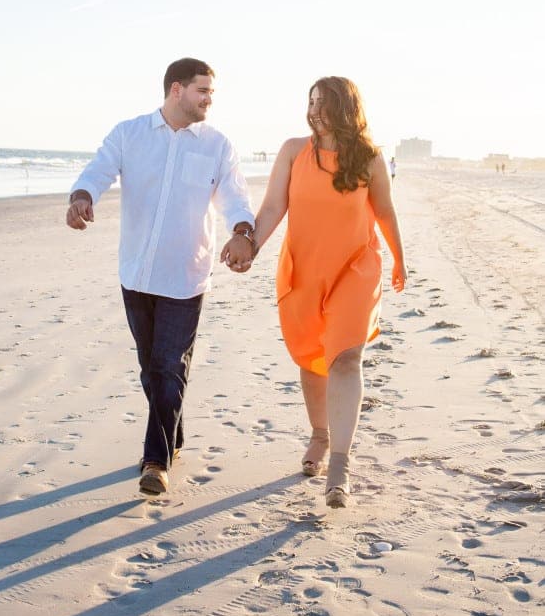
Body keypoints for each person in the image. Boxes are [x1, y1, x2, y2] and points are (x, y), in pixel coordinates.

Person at [66, 58, 255, 496]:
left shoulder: (217, 145)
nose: (209, 99)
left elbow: (234, 196)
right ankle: (174, 436)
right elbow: (99, 170)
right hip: (136, 273)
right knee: (151, 371)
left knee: (170, 367)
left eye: (211, 93)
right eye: (202, 91)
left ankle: (155, 461)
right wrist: (81, 198)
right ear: (176, 89)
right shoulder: (129, 134)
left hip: (186, 275)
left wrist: (243, 232)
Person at [221, 76, 406, 509]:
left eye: (325, 103)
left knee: (345, 357)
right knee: (311, 359)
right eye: (312, 101)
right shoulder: (292, 151)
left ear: (346, 108)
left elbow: (384, 210)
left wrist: (399, 258)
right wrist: (250, 244)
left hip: (354, 270)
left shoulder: (369, 158)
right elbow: (271, 208)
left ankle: (339, 464)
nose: (316, 109)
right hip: (304, 269)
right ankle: (320, 435)